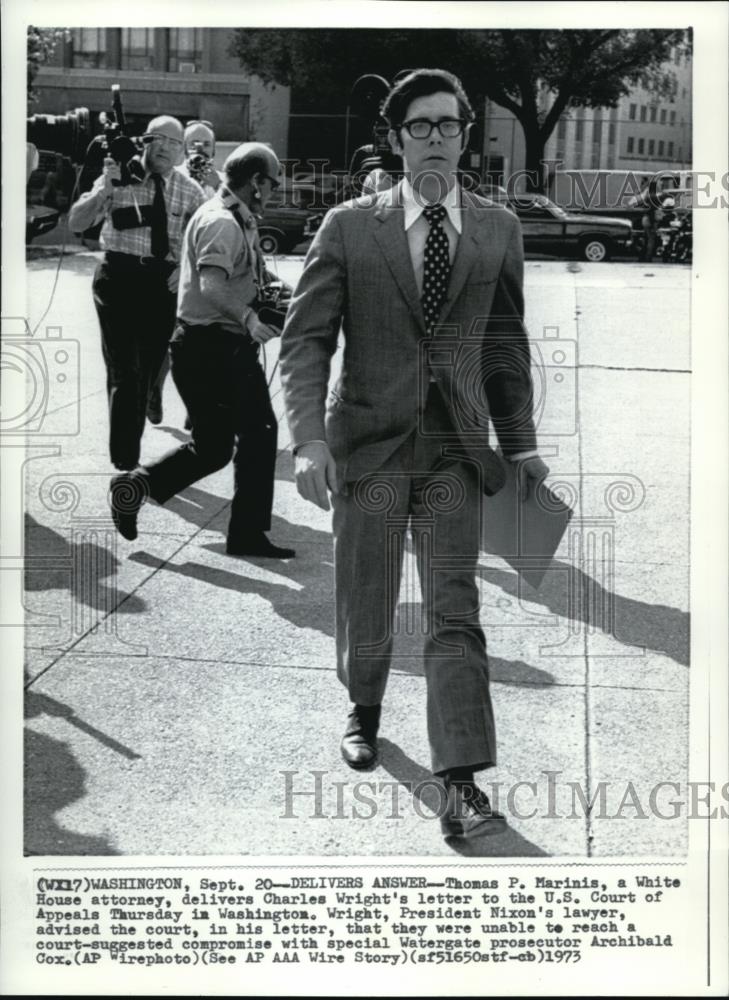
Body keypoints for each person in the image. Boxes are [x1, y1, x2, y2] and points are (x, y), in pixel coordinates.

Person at [279, 69, 548, 840]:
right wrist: (308, 442)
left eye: (449, 124)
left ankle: (459, 775)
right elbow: (305, 342)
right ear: (395, 138)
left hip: (454, 451)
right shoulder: (347, 226)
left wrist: (520, 444)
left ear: (467, 135)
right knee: (366, 597)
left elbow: (504, 345)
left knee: (453, 611)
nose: (437, 137)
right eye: (421, 125)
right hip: (367, 445)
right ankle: (362, 705)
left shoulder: (496, 227)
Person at [109, 142, 295, 561]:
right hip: (214, 347)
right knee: (259, 433)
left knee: (213, 447)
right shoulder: (222, 223)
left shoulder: (234, 217)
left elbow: (256, 277)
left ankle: (135, 485)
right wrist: (250, 320)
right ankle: (246, 534)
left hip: (204, 348)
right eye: (274, 182)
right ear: (255, 183)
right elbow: (213, 286)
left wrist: (295, 298)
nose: (276, 191)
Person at [68, 116, 205, 471]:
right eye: (157, 139)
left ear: (181, 152)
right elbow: (76, 223)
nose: (164, 147)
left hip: (162, 286)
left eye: (174, 143)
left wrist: (184, 268)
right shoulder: (116, 176)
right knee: (125, 370)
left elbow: (205, 241)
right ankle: (126, 462)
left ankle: (136, 420)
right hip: (119, 279)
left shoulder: (190, 191)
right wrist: (104, 190)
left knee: (145, 373)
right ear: (143, 142)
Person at [146, 120, 224, 426]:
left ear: (215, 149)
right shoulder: (171, 180)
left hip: (209, 271)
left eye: (206, 143)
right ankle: (155, 390)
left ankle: (196, 407)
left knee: (205, 341)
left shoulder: (223, 179)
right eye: (193, 143)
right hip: (174, 270)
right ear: (182, 148)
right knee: (169, 339)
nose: (200, 149)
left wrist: (217, 183)